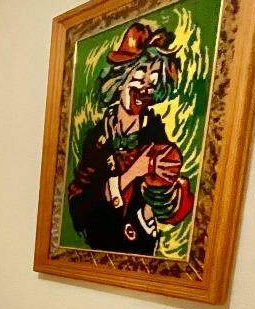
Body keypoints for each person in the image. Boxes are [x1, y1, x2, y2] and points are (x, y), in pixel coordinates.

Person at [67, 22, 195, 255]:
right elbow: (78, 203)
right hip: (98, 242)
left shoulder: (156, 138)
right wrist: (132, 173)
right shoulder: (97, 137)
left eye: (153, 81)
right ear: (120, 81)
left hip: (138, 248)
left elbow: (167, 206)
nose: (145, 87)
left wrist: (157, 201)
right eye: (139, 78)